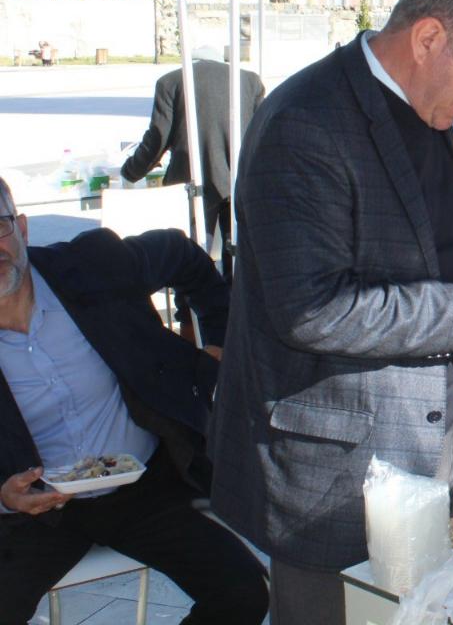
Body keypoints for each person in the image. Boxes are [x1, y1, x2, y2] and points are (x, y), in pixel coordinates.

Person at [207, 0, 453, 625]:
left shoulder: (423, 107)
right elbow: (313, 309)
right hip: (333, 483)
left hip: (430, 454)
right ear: (428, 39)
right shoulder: (304, 122)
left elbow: (428, 256)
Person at [0, 177, 268, 625]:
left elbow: (183, 255)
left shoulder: (92, 266)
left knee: (242, 592)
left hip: (138, 486)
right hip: (34, 512)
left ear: (22, 229)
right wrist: (5, 495)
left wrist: (218, 345)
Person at [121, 45, 266, 273]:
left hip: (192, 180)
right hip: (240, 178)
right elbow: (262, 132)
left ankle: (191, 308)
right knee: (238, 255)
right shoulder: (249, 80)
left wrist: (131, 171)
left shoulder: (171, 82)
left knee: (191, 256)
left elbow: (157, 138)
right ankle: (232, 304)